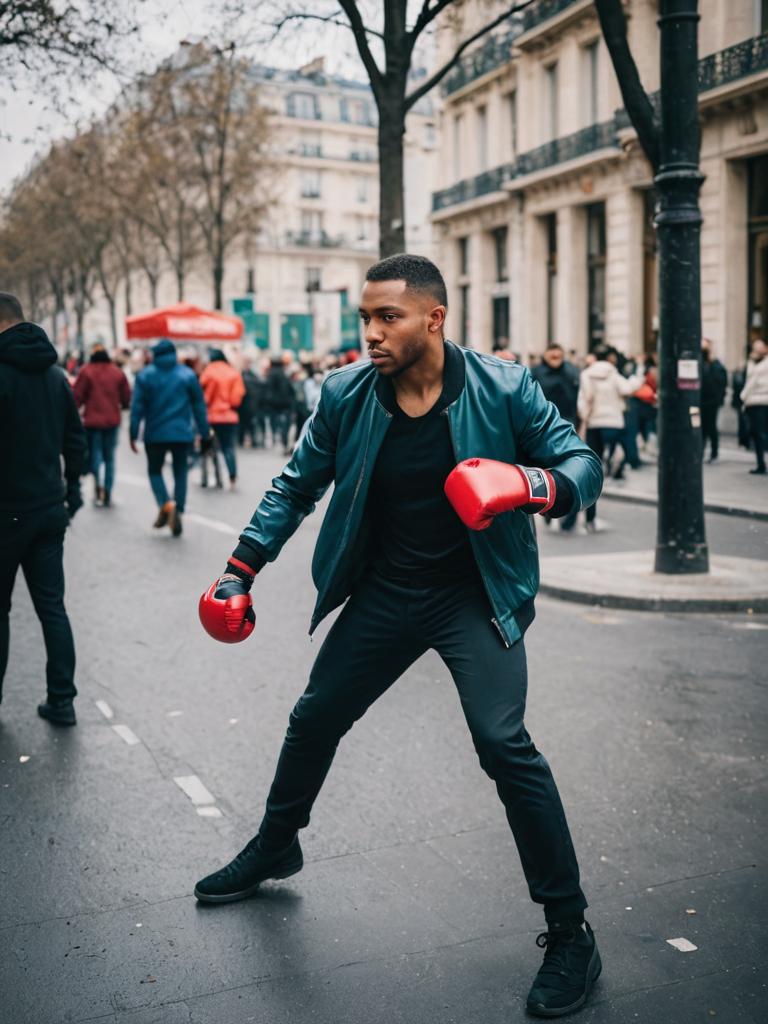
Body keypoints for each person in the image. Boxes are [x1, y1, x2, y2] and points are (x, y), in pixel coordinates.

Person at [195, 255, 604, 1018]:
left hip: (472, 594)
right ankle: (277, 843)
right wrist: (238, 568)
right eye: (365, 319)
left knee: (502, 743)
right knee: (315, 714)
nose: (372, 334)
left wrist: (532, 485)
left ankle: (571, 930)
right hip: (385, 592)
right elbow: (297, 483)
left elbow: (581, 460)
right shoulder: (348, 393)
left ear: (434, 319)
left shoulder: (504, 387)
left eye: (388, 318)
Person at [0, 293, 86, 726]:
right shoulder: (55, 376)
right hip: (49, 507)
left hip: (7, 509)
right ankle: (62, 700)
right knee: (52, 606)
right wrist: (72, 493)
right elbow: (76, 438)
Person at [129, 338, 210, 536]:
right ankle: (178, 509)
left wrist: (132, 433)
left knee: (155, 471)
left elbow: (136, 408)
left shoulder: (145, 376)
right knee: (180, 472)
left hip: (154, 433)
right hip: (182, 433)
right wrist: (204, 432)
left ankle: (165, 504)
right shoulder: (188, 375)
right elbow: (199, 406)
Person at [577, 345, 640, 532]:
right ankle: (612, 463)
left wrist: (584, 420)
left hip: (595, 424)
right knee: (615, 453)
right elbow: (628, 389)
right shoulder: (614, 374)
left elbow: (584, 400)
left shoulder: (587, 374)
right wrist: (637, 377)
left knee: (592, 470)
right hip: (613, 423)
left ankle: (590, 516)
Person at [72, 343, 131, 506]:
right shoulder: (117, 372)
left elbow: (77, 396)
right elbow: (126, 397)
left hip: (92, 422)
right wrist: (123, 405)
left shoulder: (86, 371)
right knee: (110, 457)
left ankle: (97, 486)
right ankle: (108, 489)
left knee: (95, 455)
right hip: (112, 420)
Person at [532, 343, 581, 532]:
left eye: (558, 353)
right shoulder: (536, 372)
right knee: (545, 471)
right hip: (542, 428)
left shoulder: (571, 371)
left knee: (568, 470)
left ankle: (568, 515)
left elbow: (579, 398)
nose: (555, 356)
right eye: (551, 353)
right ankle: (546, 507)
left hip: (568, 426)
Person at [200, 349, 245, 488]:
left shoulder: (208, 371)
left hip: (210, 416)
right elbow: (237, 398)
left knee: (206, 445)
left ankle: (208, 475)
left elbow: (201, 391)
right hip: (228, 417)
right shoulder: (234, 373)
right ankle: (232, 476)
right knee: (228, 447)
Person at [740, 338, 768, 475]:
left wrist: (743, 397)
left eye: (759, 347)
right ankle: (761, 463)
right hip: (756, 403)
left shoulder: (761, 366)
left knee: (759, 435)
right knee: (759, 435)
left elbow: (750, 384)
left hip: (758, 402)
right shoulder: (755, 363)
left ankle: (761, 464)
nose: (756, 350)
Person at [700, 339, 728, 464]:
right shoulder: (699, 363)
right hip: (697, 403)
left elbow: (721, 383)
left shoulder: (716, 365)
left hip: (711, 403)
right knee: (698, 427)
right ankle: (699, 451)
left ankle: (714, 453)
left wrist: (719, 398)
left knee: (711, 427)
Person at [265, 356, 295, 455]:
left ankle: (275, 437)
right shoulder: (283, 373)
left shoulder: (271, 374)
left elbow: (268, 389)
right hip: (286, 403)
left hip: (274, 404)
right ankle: (284, 442)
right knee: (285, 425)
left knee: (274, 422)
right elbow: (290, 389)